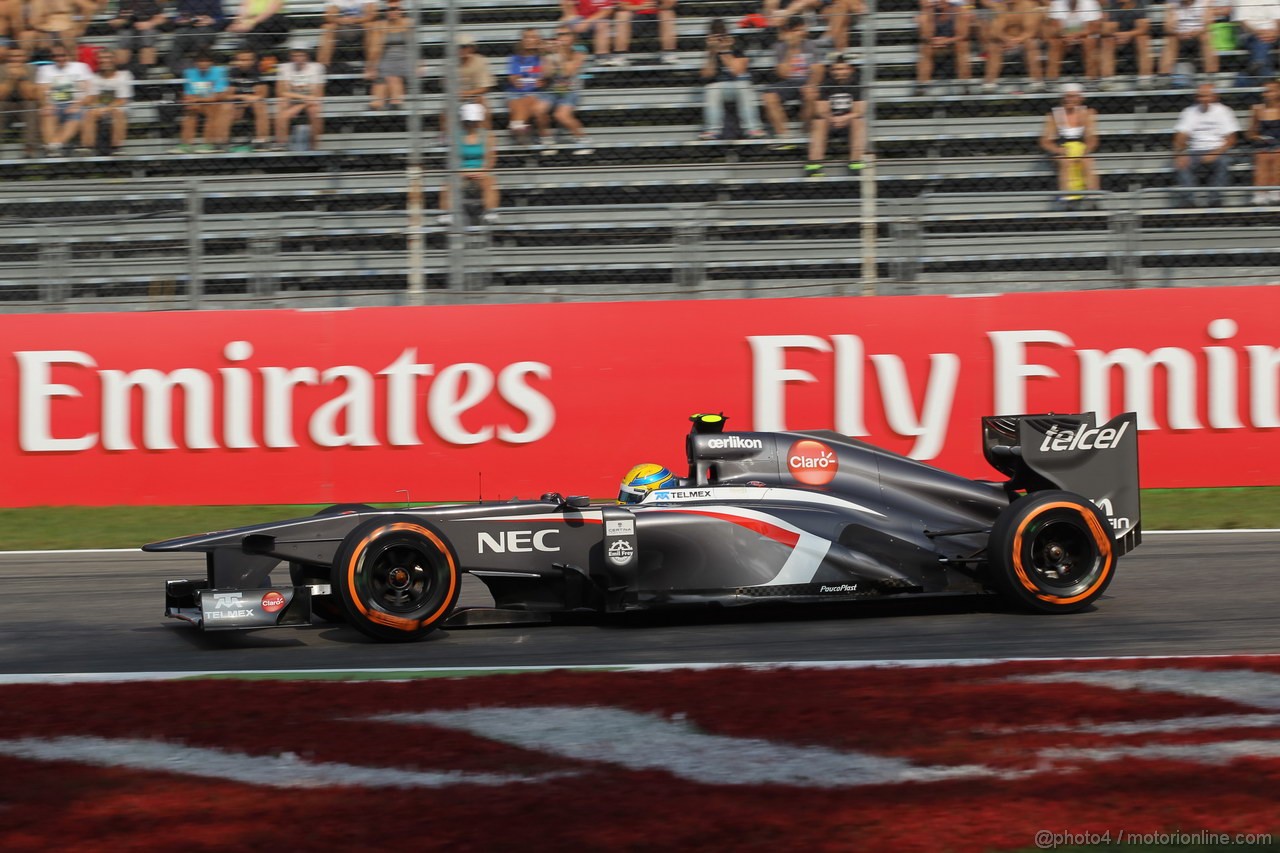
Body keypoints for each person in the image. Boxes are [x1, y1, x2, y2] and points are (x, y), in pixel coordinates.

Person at [698, 17, 765, 140]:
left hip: (739, 85)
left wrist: (725, 50)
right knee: (711, 89)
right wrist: (712, 53)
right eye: (715, 33)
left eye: (722, 33)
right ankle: (712, 131)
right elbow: (706, 75)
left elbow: (737, 72)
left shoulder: (737, 48)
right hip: (720, 88)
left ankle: (752, 128)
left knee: (743, 87)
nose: (719, 37)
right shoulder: (710, 52)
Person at [1173, 83, 1238, 206]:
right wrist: (1179, 154)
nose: (1203, 99)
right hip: (1195, 150)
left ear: (1214, 96)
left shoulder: (1224, 111)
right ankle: (1189, 201)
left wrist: (1215, 153)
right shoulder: (1189, 112)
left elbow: (1231, 139)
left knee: (1223, 162)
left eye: (1207, 96)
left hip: (1218, 149)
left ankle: (1215, 200)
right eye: (1200, 96)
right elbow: (1180, 136)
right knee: (1181, 164)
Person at [762, 15, 824, 142]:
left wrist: (812, 84)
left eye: (803, 29)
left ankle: (805, 132)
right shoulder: (780, 47)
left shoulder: (810, 45)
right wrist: (792, 48)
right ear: (789, 32)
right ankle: (783, 136)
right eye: (798, 30)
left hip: (807, 81)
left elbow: (818, 70)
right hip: (789, 82)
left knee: (810, 94)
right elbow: (783, 74)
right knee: (768, 97)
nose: (802, 33)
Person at [534, 26, 593, 154]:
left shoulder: (579, 52)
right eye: (558, 35)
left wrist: (560, 53)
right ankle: (547, 140)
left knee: (560, 115)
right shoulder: (550, 52)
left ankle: (583, 140)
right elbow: (546, 74)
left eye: (564, 34)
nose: (560, 37)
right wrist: (545, 56)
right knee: (538, 110)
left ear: (573, 37)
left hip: (570, 89)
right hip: (552, 89)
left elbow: (568, 72)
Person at [805, 52, 864, 177]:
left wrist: (845, 117)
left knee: (858, 121)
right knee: (819, 121)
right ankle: (814, 165)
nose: (839, 72)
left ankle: (855, 164)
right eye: (836, 69)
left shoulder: (857, 84)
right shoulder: (827, 83)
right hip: (830, 122)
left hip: (849, 122)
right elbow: (821, 109)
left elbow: (860, 110)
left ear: (850, 69)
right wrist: (832, 118)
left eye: (842, 69)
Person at [1039, 82, 1099, 207]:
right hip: (1062, 148)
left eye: (1073, 96)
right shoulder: (1053, 116)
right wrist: (1058, 150)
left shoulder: (1088, 113)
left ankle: (1092, 196)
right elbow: (1046, 140)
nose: (1070, 100)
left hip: (1081, 147)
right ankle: (1066, 196)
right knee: (1065, 161)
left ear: (1081, 98)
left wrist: (1086, 150)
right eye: (1067, 97)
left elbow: (1091, 137)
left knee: (1087, 161)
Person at [439, 101, 499, 225]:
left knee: (490, 183)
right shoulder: (455, 135)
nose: (471, 124)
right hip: (460, 171)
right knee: (448, 184)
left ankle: (490, 211)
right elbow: (452, 158)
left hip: (481, 171)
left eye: (474, 121)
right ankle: (447, 213)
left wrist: (483, 170)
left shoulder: (488, 136)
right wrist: (461, 171)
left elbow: (491, 158)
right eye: (469, 121)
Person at [35, 43, 93, 155]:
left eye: (62, 55)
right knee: (47, 113)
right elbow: (40, 91)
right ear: (52, 58)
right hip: (54, 105)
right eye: (55, 56)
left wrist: (78, 104)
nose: (59, 58)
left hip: (76, 104)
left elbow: (90, 92)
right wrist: (45, 104)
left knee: (77, 114)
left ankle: (52, 146)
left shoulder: (81, 67)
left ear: (68, 55)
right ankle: (54, 148)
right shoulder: (45, 70)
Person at [981, 0, 1044, 92]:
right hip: (1004, 41)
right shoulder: (1000, 7)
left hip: (1024, 41)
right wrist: (1006, 39)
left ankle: (1037, 81)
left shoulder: (1028, 5)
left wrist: (1017, 40)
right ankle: (989, 83)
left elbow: (1030, 32)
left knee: (1031, 44)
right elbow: (994, 31)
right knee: (993, 47)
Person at [915, 0, 973, 96]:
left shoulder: (959, 11)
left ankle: (965, 84)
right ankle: (922, 85)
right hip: (935, 43)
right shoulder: (928, 13)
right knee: (926, 48)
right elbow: (924, 35)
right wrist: (933, 40)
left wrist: (947, 40)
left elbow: (963, 35)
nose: (937, 2)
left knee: (962, 45)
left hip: (953, 42)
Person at [173, 49, 227, 152]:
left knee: (212, 109)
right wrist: (190, 101)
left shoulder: (219, 71)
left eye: (206, 61)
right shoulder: (189, 73)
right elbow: (188, 94)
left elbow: (218, 96)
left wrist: (197, 99)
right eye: (200, 61)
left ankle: (208, 144)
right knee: (190, 110)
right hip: (198, 103)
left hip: (214, 104)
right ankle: (186, 144)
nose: (203, 64)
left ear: (211, 62)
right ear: (195, 63)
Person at [274, 46, 324, 149]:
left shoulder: (317, 67)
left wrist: (299, 106)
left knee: (314, 110)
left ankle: (314, 145)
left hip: (309, 101)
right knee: (282, 103)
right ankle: (281, 144)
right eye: (294, 56)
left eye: (301, 55)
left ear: (307, 56)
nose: (297, 59)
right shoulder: (284, 67)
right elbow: (281, 92)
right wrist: (302, 97)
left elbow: (317, 94)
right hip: (294, 99)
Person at [81, 50, 131, 152]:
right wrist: (99, 108)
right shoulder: (93, 77)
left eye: (108, 57)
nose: (105, 60)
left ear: (114, 60)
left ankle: (117, 147)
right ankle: (87, 147)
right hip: (99, 108)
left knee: (117, 113)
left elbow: (122, 99)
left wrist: (106, 108)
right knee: (89, 114)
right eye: (102, 58)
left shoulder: (124, 75)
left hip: (119, 107)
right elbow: (92, 97)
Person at [1044, 0, 1103, 84]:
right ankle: (1052, 81)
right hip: (1064, 37)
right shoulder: (1057, 3)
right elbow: (1056, 28)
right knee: (1055, 42)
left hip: (1084, 36)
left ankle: (1092, 80)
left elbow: (1093, 28)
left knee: (1090, 41)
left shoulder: (1090, 3)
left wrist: (1076, 35)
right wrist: (1066, 36)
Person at [365, 0, 410, 109]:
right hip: (386, 58)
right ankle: (392, 101)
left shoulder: (409, 23)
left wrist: (419, 63)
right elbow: (375, 49)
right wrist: (371, 67)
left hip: (405, 57)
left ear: (401, 10)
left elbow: (414, 47)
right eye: (389, 9)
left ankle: (385, 100)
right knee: (385, 69)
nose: (392, 11)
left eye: (395, 9)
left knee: (390, 72)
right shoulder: (380, 25)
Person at [1098, 0, 1152, 90]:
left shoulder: (1141, 2)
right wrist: (1118, 35)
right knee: (1107, 40)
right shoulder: (1111, 3)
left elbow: (1144, 28)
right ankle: (1107, 79)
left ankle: (1145, 78)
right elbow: (1107, 29)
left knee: (1143, 38)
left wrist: (1129, 34)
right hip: (1116, 36)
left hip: (1134, 35)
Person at [165, 0, 226, 75]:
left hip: (206, 28)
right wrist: (181, 20)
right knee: (180, 34)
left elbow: (222, 19)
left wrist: (212, 20)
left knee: (201, 34)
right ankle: (177, 71)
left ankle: (199, 71)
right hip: (186, 28)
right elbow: (176, 17)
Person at [505, 27, 543, 144]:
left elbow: (542, 81)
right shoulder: (515, 58)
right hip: (514, 94)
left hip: (534, 94)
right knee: (520, 103)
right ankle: (519, 127)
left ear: (538, 40)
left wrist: (525, 80)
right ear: (521, 40)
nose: (529, 40)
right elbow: (515, 81)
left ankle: (517, 126)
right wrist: (532, 81)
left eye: (532, 37)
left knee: (528, 99)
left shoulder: (542, 58)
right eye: (526, 37)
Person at [1159, 0, 1216, 79]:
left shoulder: (1205, 2)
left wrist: (1197, 32)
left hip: (1199, 33)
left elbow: (1208, 25)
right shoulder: (1172, 3)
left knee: (1206, 36)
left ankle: (1211, 75)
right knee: (1170, 38)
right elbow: (1167, 28)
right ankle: (1164, 76)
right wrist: (1177, 33)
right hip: (1178, 35)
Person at [107, 0, 164, 77]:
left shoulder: (150, 2)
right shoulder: (123, 2)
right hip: (127, 28)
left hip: (147, 28)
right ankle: (123, 71)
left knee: (147, 36)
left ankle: (143, 74)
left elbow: (161, 18)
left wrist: (149, 23)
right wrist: (122, 21)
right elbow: (114, 21)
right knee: (125, 36)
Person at [0, 49, 40, 157]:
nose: (15, 59)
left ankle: (30, 148)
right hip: (5, 106)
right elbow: (1, 96)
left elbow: (31, 96)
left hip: (24, 106)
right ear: (8, 58)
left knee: (31, 105)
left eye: (19, 56)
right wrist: (11, 79)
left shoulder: (32, 69)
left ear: (25, 57)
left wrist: (22, 77)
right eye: (13, 56)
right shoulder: (1, 70)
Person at [612, 0, 678, 65]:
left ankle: (669, 54)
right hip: (635, 16)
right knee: (622, 14)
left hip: (656, 15)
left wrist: (657, 7)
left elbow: (670, 3)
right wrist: (641, 7)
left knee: (667, 13)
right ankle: (620, 55)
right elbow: (621, 6)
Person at [226, 47, 268, 148]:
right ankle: (221, 142)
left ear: (253, 61)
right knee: (224, 107)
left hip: (252, 106)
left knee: (259, 105)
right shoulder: (233, 72)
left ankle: (261, 141)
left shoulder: (258, 72)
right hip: (236, 106)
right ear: (236, 61)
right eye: (241, 60)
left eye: (247, 60)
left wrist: (245, 103)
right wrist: (243, 98)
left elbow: (261, 95)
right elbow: (227, 95)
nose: (244, 62)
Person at [1247, 79, 1280, 204]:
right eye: (1265, 91)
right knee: (1262, 156)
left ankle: (1275, 189)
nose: (1268, 94)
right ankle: (1260, 192)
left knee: (1277, 155)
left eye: (1271, 91)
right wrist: (1257, 137)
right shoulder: (1257, 109)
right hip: (1263, 144)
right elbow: (1250, 132)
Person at [317, 0, 375, 68]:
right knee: (328, 27)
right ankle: (322, 66)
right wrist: (341, 20)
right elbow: (329, 16)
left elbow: (371, 15)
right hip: (341, 25)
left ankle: (371, 66)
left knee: (371, 26)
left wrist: (354, 20)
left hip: (361, 24)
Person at [1234, 0, 1280, 84]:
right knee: (1261, 43)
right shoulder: (1241, 1)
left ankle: (1257, 64)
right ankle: (1266, 78)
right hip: (1251, 35)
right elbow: (1243, 23)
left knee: (1262, 44)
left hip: (1274, 33)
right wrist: (1259, 33)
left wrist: (1275, 33)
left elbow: (1278, 20)